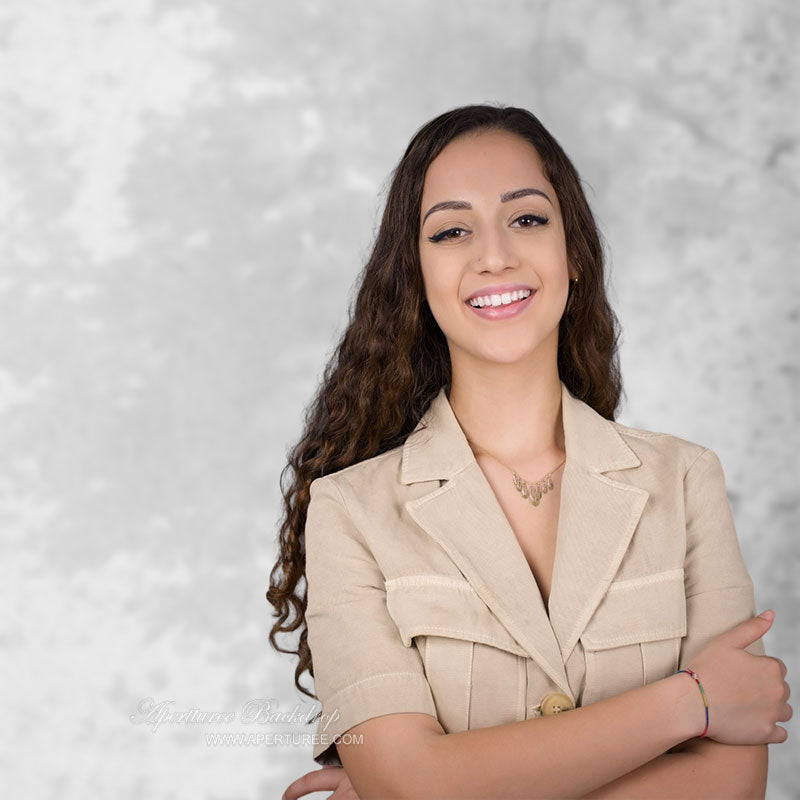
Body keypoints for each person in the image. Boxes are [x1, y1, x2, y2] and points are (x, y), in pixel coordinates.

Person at [268, 104, 791, 799]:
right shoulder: (349, 512)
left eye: (527, 218)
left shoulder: (686, 481)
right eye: (452, 231)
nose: (494, 255)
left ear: (572, 250)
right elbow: (409, 784)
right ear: (415, 276)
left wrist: (437, 785)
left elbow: (731, 786)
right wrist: (690, 702)